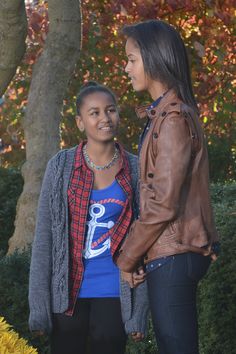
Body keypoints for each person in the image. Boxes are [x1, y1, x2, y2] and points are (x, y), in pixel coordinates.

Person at [116, 20, 219, 354]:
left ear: (154, 58)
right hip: (169, 254)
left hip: (174, 254)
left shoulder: (173, 119)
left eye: (131, 59)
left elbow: (163, 204)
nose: (126, 67)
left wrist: (128, 259)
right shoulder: (162, 116)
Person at [28, 81, 149, 354]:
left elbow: (147, 237)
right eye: (94, 113)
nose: (105, 118)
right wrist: (39, 309)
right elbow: (44, 239)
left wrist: (138, 311)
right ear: (80, 122)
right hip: (67, 295)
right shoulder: (60, 166)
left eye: (111, 110)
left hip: (114, 292)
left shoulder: (135, 168)